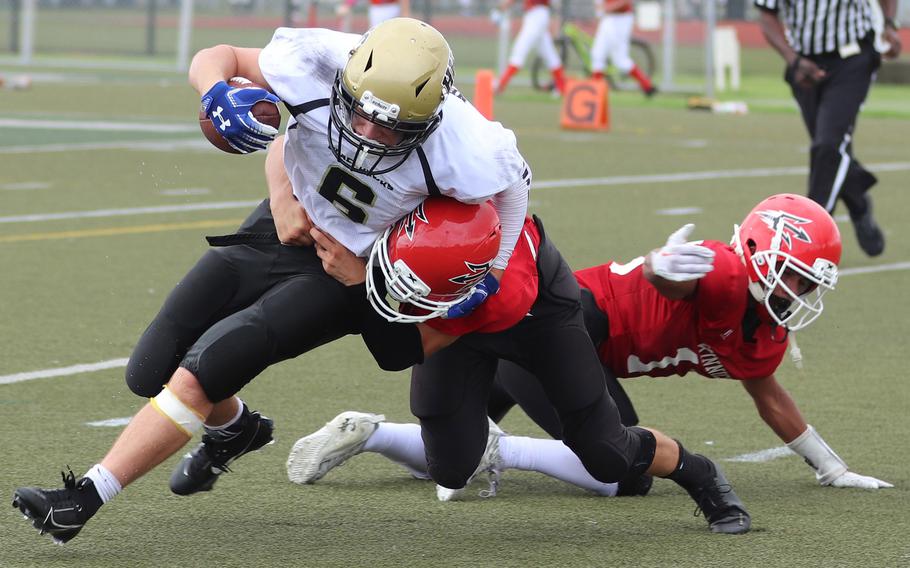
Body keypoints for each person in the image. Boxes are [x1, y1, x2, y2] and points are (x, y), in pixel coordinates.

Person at [11, 18, 532, 545]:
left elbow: (517, 186)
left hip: (345, 269)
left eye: (390, 127)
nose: (369, 134)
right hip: (285, 225)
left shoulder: (465, 144)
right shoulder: (320, 60)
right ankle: (237, 429)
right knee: (149, 371)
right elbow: (218, 56)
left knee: (206, 367)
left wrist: (492, 266)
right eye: (362, 113)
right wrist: (217, 95)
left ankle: (82, 500)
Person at [289, 194, 892, 499]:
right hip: (556, 331)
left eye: (809, 282)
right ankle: (501, 453)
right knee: (623, 471)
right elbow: (669, 277)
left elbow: (768, 394)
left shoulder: (764, 328)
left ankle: (370, 434)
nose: (800, 290)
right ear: (760, 252)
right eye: (796, 274)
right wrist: (660, 264)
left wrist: (829, 467)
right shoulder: (727, 272)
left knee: (451, 454)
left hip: (570, 344)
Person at [297, 196, 753, 534]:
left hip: (536, 313)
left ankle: (700, 473)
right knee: (452, 468)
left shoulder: (501, 288)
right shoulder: (402, 182)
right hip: (455, 299)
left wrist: (359, 287)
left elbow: (398, 351)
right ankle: (471, 438)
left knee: (608, 454)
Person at [755, 0, 902, 257]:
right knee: (831, 149)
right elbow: (767, 15)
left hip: (852, 57)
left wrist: (889, 25)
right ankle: (858, 201)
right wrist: (793, 60)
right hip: (804, 65)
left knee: (828, 145)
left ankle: (808, 238)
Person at [494, 0, 568, 95]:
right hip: (538, 16)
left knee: (519, 51)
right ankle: (562, 88)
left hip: (536, 16)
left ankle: (500, 85)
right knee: (550, 54)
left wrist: (504, 5)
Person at [589, 0, 656, 96]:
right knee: (597, 54)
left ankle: (646, 85)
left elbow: (625, 2)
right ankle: (594, 91)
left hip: (622, 18)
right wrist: (600, 9)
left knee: (620, 59)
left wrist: (608, 8)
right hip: (608, 18)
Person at [337, 0, 410, 31]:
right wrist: (348, 4)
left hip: (392, 7)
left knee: (393, 34)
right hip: (376, 9)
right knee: (376, 35)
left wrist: (405, 11)